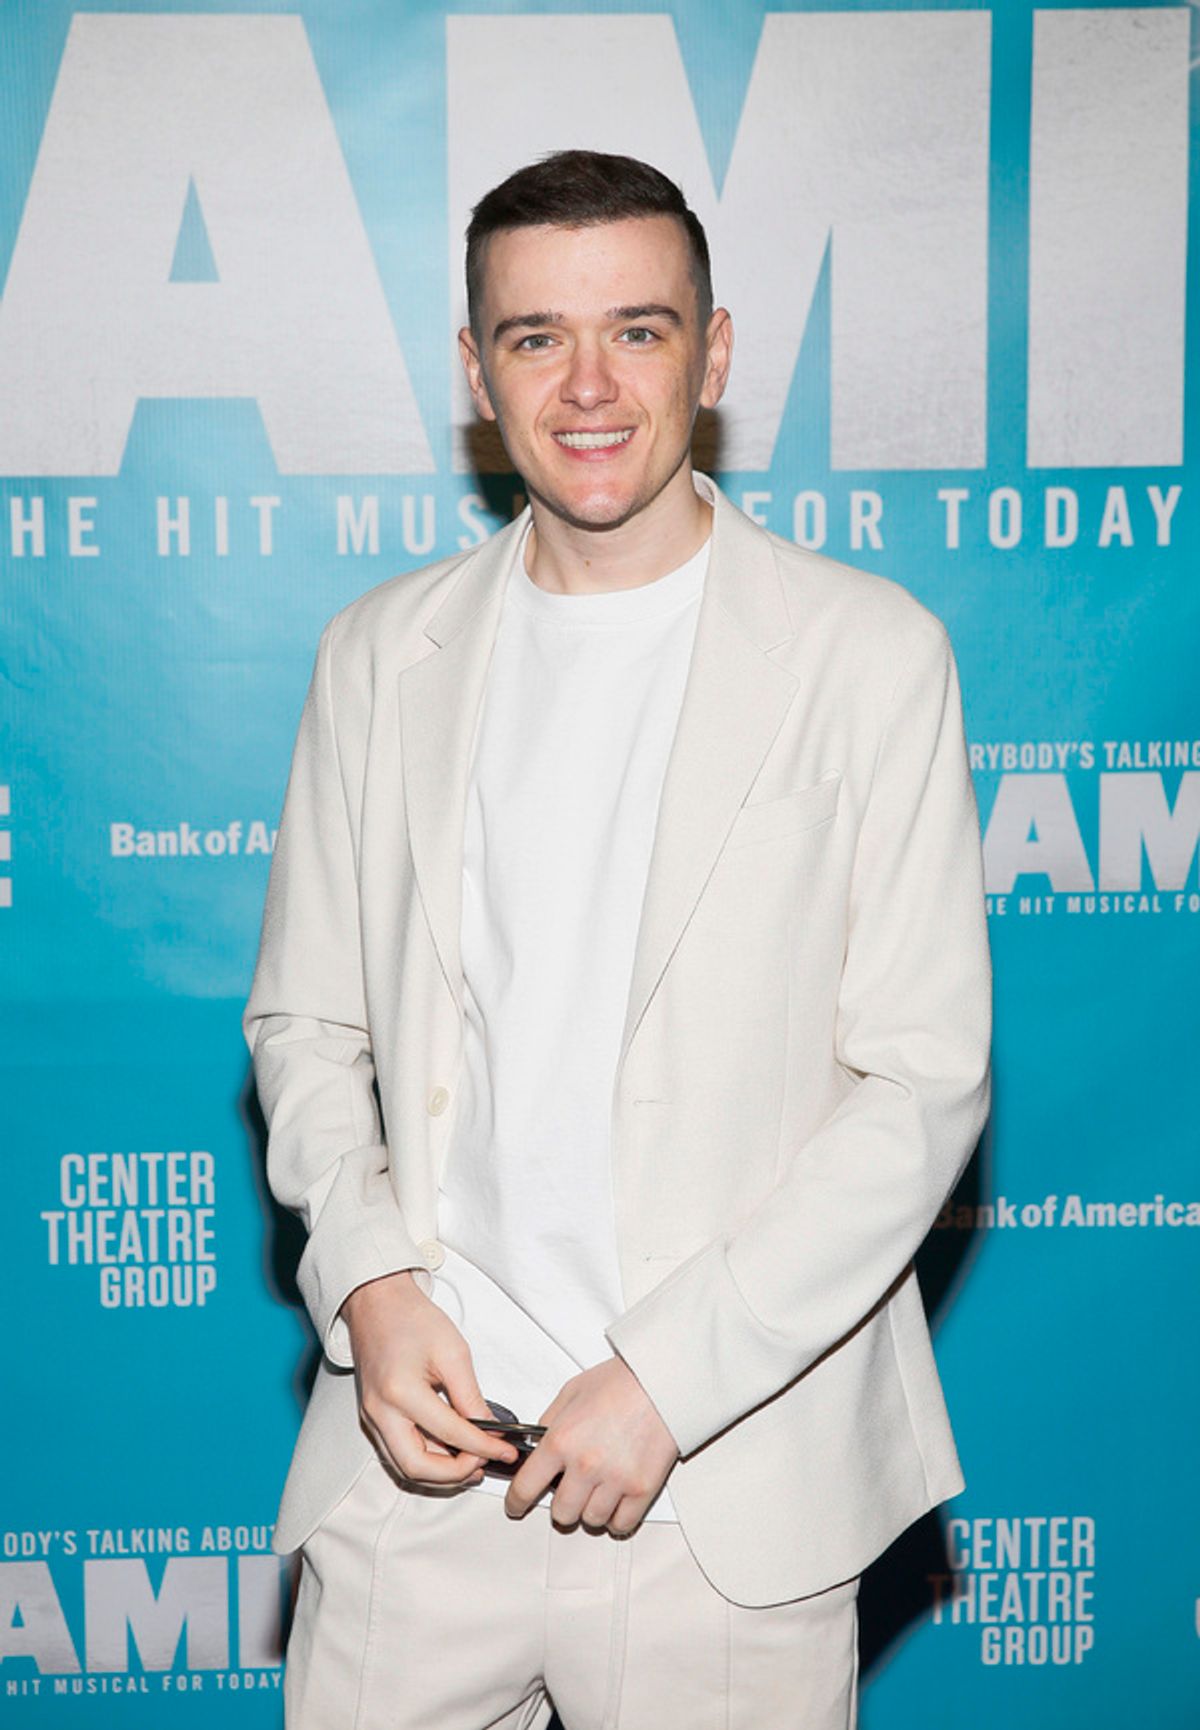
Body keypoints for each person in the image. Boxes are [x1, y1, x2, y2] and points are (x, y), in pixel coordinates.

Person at [244, 149, 992, 1730]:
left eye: (639, 332)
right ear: (474, 371)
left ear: (714, 355)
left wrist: (670, 1377)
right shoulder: (377, 657)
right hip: (416, 1481)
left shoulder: (870, 657)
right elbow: (307, 1030)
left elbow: (923, 1084)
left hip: (728, 1486)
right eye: (534, 339)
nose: (587, 385)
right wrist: (369, 1283)